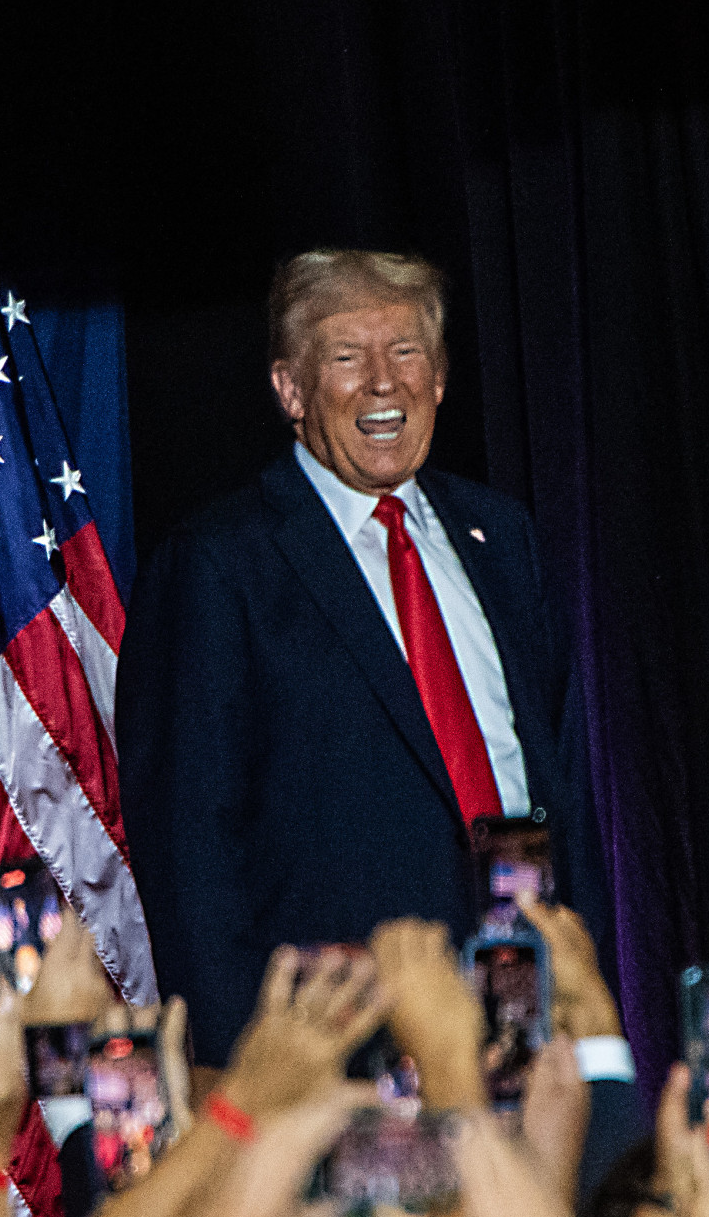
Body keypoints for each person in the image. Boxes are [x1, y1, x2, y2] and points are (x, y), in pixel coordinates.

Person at [112, 251, 623, 1110]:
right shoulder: (218, 564)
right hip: (348, 1053)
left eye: (408, 351)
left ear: (443, 374)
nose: (383, 382)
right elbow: (190, 848)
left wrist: (588, 992)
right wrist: (253, 1083)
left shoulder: (501, 537)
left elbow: (557, 780)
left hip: (528, 1028)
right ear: (291, 389)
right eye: (348, 357)